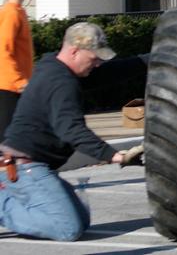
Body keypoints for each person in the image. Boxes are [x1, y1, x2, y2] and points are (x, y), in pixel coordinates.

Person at [0, 22, 144, 241]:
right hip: (24, 168)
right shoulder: (61, 83)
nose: (97, 64)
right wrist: (115, 156)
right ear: (74, 51)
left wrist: (152, 59)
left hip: (30, 166)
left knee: (81, 220)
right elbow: (71, 129)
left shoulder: (53, 66)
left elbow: (111, 73)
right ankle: (3, 205)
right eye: (94, 57)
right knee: (67, 227)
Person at [0, 0, 33, 138]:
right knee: (7, 140)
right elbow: (3, 50)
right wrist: (19, 81)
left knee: (15, 139)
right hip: (8, 86)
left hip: (15, 85)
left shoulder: (19, 12)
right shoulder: (11, 13)